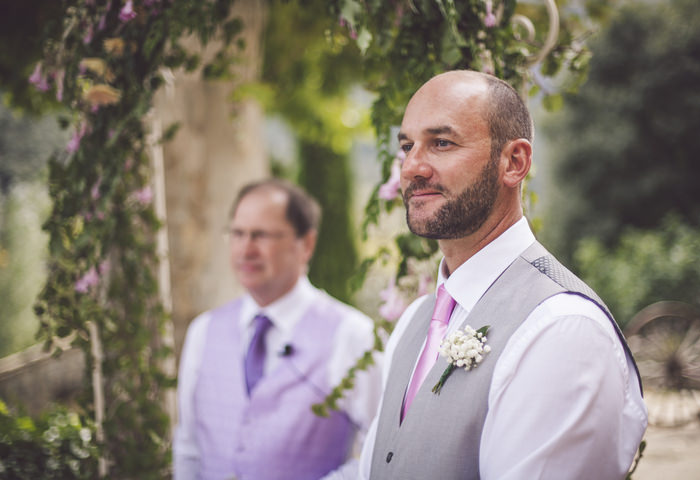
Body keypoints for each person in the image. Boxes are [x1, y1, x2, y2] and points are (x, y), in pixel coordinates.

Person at [356, 71, 648, 479]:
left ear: (514, 162)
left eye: (441, 143)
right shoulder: (412, 322)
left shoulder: (563, 332)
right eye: (407, 146)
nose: (412, 168)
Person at [173, 179, 382, 480]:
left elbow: (383, 452)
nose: (246, 249)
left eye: (261, 236)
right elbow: (188, 449)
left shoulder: (353, 335)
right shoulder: (203, 331)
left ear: (306, 244)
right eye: (238, 234)